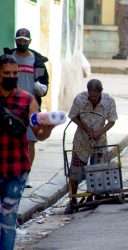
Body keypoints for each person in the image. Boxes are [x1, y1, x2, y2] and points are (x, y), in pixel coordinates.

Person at [0, 54, 53, 250]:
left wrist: (49, 127)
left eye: (15, 73)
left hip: (16, 169)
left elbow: (38, 133)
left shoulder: (27, 99)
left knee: (8, 220)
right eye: (7, 73)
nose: (12, 77)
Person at [4, 28, 50, 188]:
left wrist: (42, 88)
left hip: (30, 107)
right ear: (15, 40)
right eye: (19, 39)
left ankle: (26, 176)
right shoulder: (9, 59)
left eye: (25, 40)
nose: (22, 42)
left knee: (30, 141)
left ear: (29, 41)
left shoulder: (37, 62)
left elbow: (45, 83)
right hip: (10, 106)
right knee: (11, 140)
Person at [65, 79, 118, 213]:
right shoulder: (80, 100)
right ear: (87, 92)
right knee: (75, 171)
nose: (93, 98)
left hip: (99, 141)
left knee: (96, 170)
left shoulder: (108, 101)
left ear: (100, 93)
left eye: (95, 96)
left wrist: (100, 131)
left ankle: (92, 196)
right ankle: (73, 199)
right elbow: (73, 116)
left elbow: (112, 120)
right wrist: (86, 128)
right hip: (81, 140)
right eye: (91, 95)